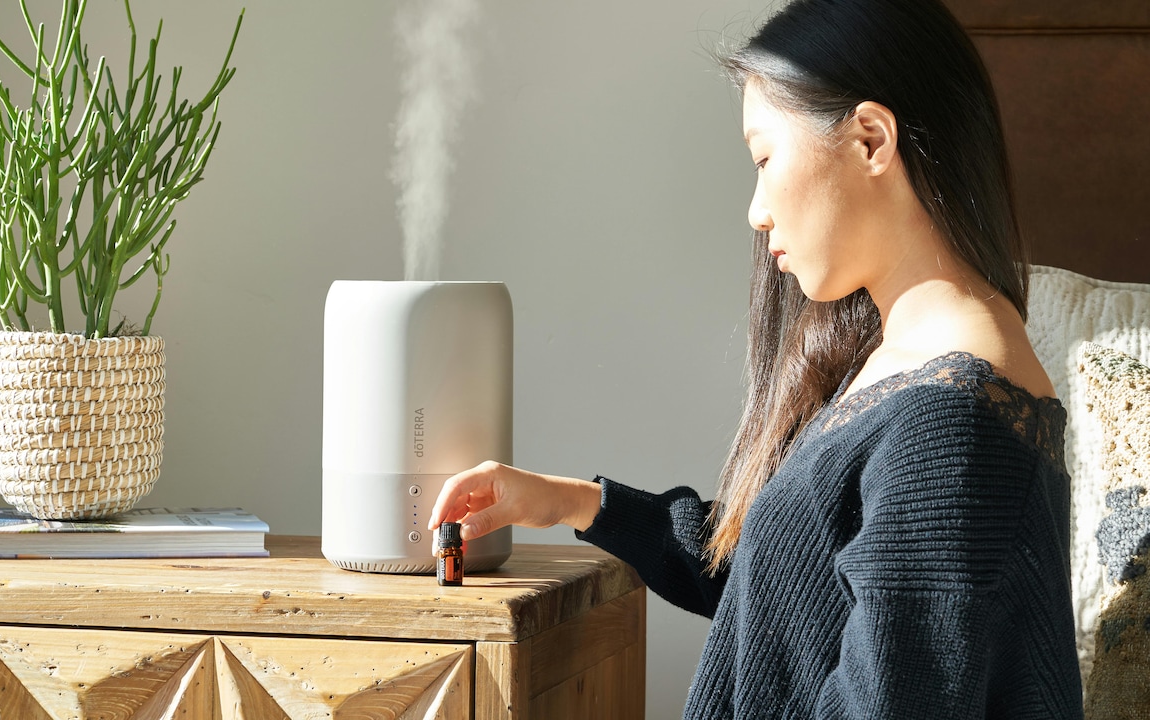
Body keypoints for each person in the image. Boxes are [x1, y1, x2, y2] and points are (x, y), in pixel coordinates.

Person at [429, 0, 1084, 717]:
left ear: (870, 139)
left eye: (765, 159)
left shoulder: (951, 423)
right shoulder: (918, 370)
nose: (756, 210)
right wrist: (570, 502)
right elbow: (786, 592)